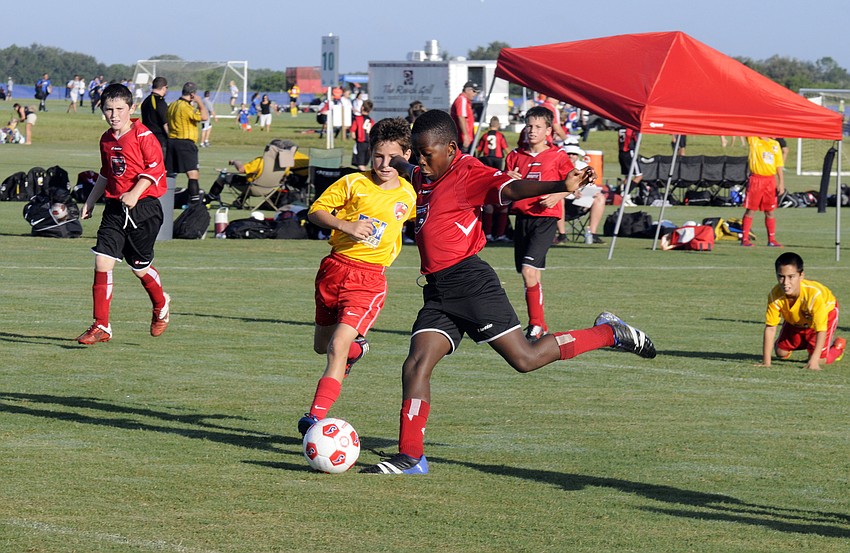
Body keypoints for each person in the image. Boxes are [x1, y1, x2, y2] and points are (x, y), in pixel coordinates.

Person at [360, 109, 656, 474]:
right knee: (416, 364)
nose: (421, 161)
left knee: (525, 359)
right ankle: (411, 457)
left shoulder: (468, 172)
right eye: (417, 154)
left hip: (471, 283)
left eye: (427, 154)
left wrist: (560, 185)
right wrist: (395, 162)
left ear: (450, 149)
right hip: (438, 290)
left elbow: (511, 189)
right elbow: (410, 169)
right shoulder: (425, 172)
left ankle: (610, 333)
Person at [297, 118, 417, 437]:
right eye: (378, 156)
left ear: (407, 155)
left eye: (393, 157)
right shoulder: (353, 183)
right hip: (333, 270)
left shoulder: (409, 195)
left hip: (369, 280)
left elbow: (428, 221)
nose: (385, 164)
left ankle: (314, 417)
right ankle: (357, 350)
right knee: (322, 346)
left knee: (337, 345)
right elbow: (315, 211)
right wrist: (345, 225)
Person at [76, 83, 170, 345]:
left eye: (119, 109)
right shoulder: (106, 139)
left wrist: (135, 193)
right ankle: (101, 325)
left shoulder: (144, 136)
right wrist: (91, 200)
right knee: (102, 261)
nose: (114, 115)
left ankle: (161, 304)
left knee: (140, 268)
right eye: (109, 109)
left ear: (132, 108)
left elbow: (155, 169)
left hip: (144, 209)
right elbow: (106, 173)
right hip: (115, 209)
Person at [504, 106, 573, 342]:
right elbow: (501, 189)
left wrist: (557, 196)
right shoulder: (514, 156)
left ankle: (534, 324)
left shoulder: (558, 156)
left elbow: (576, 182)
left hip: (545, 219)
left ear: (548, 131)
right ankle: (540, 324)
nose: (532, 131)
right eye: (529, 126)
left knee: (528, 270)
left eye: (538, 127)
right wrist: (505, 180)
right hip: (522, 219)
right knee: (531, 275)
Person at [760, 252, 845, 371]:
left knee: (818, 359)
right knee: (780, 352)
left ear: (801, 275)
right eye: (781, 276)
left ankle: (837, 348)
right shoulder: (775, 295)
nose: (785, 282)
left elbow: (821, 329)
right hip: (798, 319)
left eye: (791, 277)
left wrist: (814, 361)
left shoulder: (814, 295)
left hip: (826, 314)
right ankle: (807, 343)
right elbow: (770, 328)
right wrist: (766, 362)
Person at [166, 82, 209, 204]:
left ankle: (165, 199)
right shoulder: (186, 107)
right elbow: (204, 117)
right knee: (193, 174)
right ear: (192, 94)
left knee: (169, 174)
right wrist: (200, 103)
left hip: (171, 142)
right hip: (185, 142)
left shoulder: (172, 105)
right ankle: (195, 202)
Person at [741, 136, 784, 247]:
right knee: (751, 210)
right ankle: (744, 239)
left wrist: (781, 182)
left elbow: (779, 165)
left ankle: (771, 240)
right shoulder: (754, 140)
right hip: (756, 179)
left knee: (770, 211)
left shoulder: (775, 144)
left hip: (770, 181)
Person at [563, 144, 605, 244]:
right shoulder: (558, 165)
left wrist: (592, 193)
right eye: (569, 154)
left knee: (600, 197)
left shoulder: (583, 167)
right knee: (559, 200)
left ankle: (592, 234)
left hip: (580, 202)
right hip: (562, 201)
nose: (571, 156)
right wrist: (572, 191)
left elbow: (591, 185)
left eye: (574, 154)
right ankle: (561, 235)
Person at [140, 77, 169, 159]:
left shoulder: (146, 101)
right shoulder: (160, 102)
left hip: (147, 139)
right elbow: (165, 123)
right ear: (164, 87)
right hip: (159, 140)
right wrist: (171, 138)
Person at [450, 81, 479, 153]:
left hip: (466, 138)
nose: (475, 94)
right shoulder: (462, 99)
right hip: (462, 139)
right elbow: (461, 117)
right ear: (467, 90)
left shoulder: (466, 101)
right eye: (474, 91)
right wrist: (466, 136)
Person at [617, 126, 642, 206]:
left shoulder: (621, 127)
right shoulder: (631, 128)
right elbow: (636, 140)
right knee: (639, 176)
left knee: (628, 177)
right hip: (629, 152)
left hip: (621, 153)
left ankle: (625, 198)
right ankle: (626, 194)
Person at [349, 99, 374, 171]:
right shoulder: (371, 121)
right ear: (370, 110)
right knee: (364, 164)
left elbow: (353, 133)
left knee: (360, 164)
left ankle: (363, 176)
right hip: (369, 144)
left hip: (360, 143)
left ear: (362, 107)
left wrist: (355, 139)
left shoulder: (357, 119)